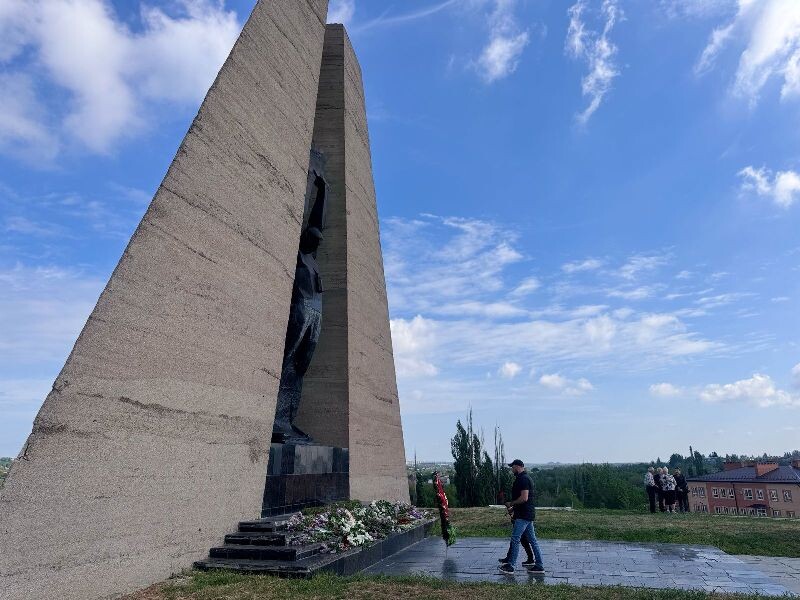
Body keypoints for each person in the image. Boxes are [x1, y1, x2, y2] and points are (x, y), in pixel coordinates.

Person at [499, 459, 544, 575]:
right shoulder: (524, 478)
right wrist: (513, 508)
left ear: (518, 466)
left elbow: (524, 498)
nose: (512, 469)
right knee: (533, 541)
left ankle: (511, 566)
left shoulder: (523, 479)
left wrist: (512, 503)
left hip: (523, 515)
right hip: (527, 514)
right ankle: (539, 565)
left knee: (515, 539)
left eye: (512, 467)